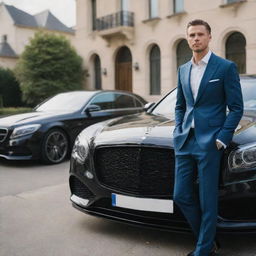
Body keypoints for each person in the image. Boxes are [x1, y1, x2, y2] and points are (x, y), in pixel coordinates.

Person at [173, 19, 243, 256]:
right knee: (181, 194)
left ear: (209, 37)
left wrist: (222, 137)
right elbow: (180, 105)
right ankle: (209, 241)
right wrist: (178, 128)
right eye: (191, 35)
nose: (195, 39)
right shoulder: (183, 69)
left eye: (200, 34)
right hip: (185, 140)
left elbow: (236, 107)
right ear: (188, 38)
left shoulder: (224, 68)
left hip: (210, 142)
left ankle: (203, 251)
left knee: (207, 199)